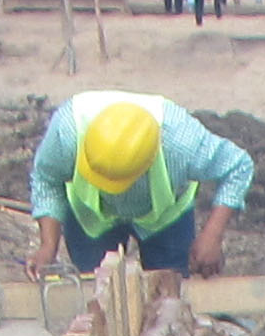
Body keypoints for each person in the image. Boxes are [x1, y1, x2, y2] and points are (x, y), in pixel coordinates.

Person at [27, 89, 252, 279]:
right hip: (91, 215)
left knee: (169, 295)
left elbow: (238, 166)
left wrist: (212, 235)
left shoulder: (181, 143)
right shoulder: (67, 132)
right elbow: (47, 178)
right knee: (96, 292)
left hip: (165, 217)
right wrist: (48, 246)